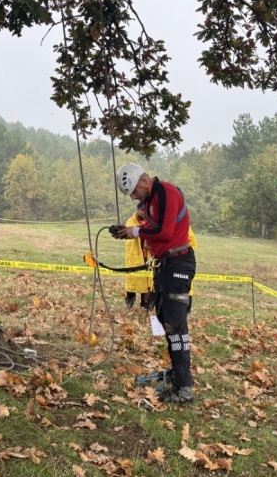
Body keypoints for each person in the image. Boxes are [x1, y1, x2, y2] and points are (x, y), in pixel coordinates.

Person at [112, 162, 196, 404]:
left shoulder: (166, 193)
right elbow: (151, 228)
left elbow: (166, 232)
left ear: (143, 181)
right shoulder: (150, 201)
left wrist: (136, 232)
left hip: (178, 263)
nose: (133, 199)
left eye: (134, 193)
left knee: (175, 327)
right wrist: (128, 230)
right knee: (164, 318)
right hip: (166, 265)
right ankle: (177, 376)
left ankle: (184, 388)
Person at [124, 202, 153, 310]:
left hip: (147, 255)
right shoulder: (131, 221)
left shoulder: (151, 220)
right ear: (137, 210)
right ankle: (129, 304)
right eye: (141, 210)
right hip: (135, 256)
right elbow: (130, 233)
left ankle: (144, 305)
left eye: (145, 210)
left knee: (146, 282)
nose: (144, 212)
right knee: (132, 282)